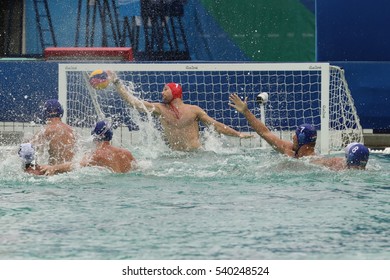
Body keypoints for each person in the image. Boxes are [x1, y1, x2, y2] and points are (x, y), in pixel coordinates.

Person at [108, 71, 252, 151]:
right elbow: (133, 102)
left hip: (197, 155)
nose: (162, 92)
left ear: (175, 92)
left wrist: (238, 134)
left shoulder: (194, 110)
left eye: (165, 89)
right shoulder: (159, 108)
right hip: (175, 157)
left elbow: (216, 125)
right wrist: (116, 82)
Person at [229, 93, 316, 158]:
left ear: (301, 139)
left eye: (296, 135)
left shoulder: (315, 161)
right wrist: (246, 112)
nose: (293, 137)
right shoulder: (289, 150)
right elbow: (264, 132)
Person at [41, 120, 135, 175]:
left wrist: (53, 168)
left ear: (94, 137)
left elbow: (75, 165)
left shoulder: (96, 155)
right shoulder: (126, 154)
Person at [31, 99, 76, 165]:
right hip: (71, 169)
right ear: (61, 112)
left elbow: (29, 149)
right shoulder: (71, 130)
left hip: (54, 171)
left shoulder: (46, 130)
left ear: (45, 113)